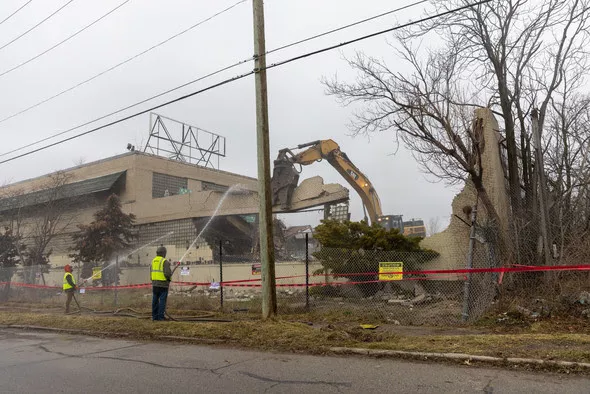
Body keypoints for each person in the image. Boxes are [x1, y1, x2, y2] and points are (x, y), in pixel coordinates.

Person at [151, 245, 172, 321]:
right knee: (162, 301)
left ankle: (154, 317)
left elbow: (151, 273)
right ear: (164, 253)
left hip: (155, 284)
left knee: (155, 300)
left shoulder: (153, 261)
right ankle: (161, 317)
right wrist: (169, 279)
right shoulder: (164, 261)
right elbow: (167, 274)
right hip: (163, 285)